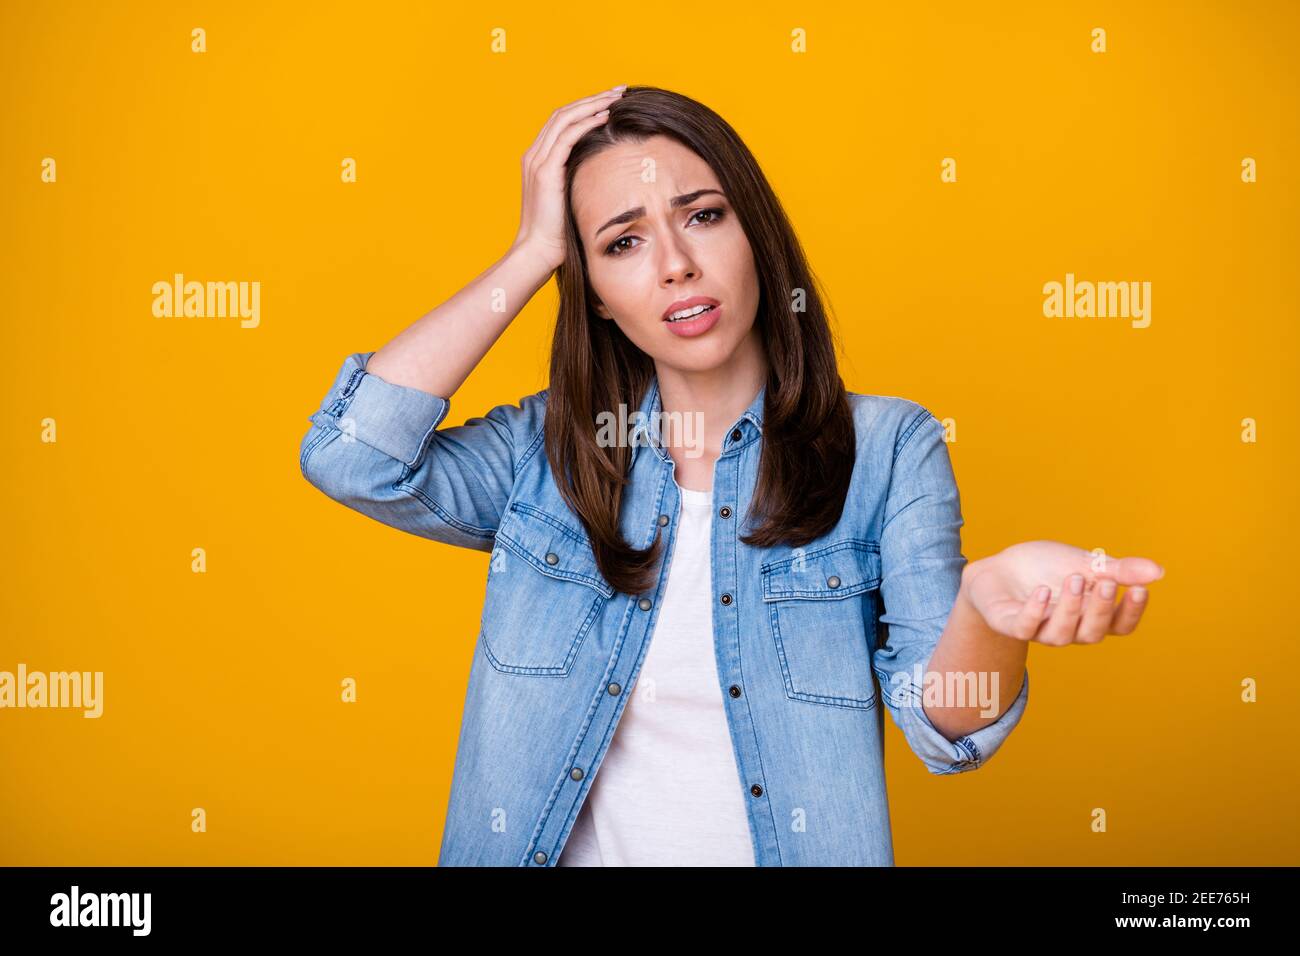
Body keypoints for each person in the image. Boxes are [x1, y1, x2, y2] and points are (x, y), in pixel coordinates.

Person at [299, 84, 1164, 866]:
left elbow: (948, 728)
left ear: (756, 232)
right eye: (622, 242)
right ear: (592, 287)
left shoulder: (887, 450)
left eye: (704, 216)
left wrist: (986, 608)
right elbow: (353, 457)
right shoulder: (547, 450)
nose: (675, 262)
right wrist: (531, 253)